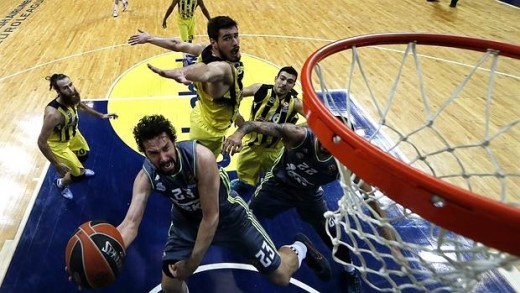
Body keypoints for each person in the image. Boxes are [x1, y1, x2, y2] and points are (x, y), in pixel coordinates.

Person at [115, 114, 331, 293]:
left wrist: (190, 265)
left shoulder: (201, 158)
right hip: (187, 223)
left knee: (281, 276)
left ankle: (300, 247)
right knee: (170, 286)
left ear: (174, 142)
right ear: (144, 154)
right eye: (153, 153)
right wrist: (111, 248)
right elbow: (130, 224)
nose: (163, 158)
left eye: (166, 148)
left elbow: (211, 218)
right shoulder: (146, 176)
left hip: (230, 218)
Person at [223, 120, 405, 292]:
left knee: (332, 235)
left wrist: (392, 245)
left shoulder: (346, 163)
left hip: (309, 195)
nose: (329, 145)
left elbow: (371, 201)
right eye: (328, 137)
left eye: (337, 142)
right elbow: (253, 125)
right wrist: (238, 134)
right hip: (277, 187)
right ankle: (289, 248)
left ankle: (350, 271)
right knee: (248, 219)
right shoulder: (298, 135)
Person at [128, 16, 245, 158]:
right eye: (227, 38)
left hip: (203, 113)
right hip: (211, 133)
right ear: (214, 42)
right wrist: (181, 72)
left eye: (236, 36)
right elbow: (207, 72)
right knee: (202, 168)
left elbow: (177, 44)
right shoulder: (223, 68)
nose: (235, 43)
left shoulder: (205, 49)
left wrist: (149, 38)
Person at [37, 73, 118, 199]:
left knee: (84, 153)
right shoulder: (53, 115)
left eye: (70, 84)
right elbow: (41, 142)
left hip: (73, 134)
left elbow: (80, 105)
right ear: (58, 91)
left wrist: (101, 115)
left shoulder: (71, 96)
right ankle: (61, 183)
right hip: (59, 144)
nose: (70, 89)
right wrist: (56, 164)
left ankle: (79, 168)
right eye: (65, 88)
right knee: (78, 174)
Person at [230, 66, 304, 193]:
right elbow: (232, 97)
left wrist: (293, 130)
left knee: (275, 176)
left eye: (290, 81)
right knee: (244, 170)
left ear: (293, 85)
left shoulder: (295, 102)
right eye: (282, 79)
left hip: (275, 148)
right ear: (276, 79)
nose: (284, 83)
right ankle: (243, 183)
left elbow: (315, 120)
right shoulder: (260, 89)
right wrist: (237, 116)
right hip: (253, 144)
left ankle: (269, 187)